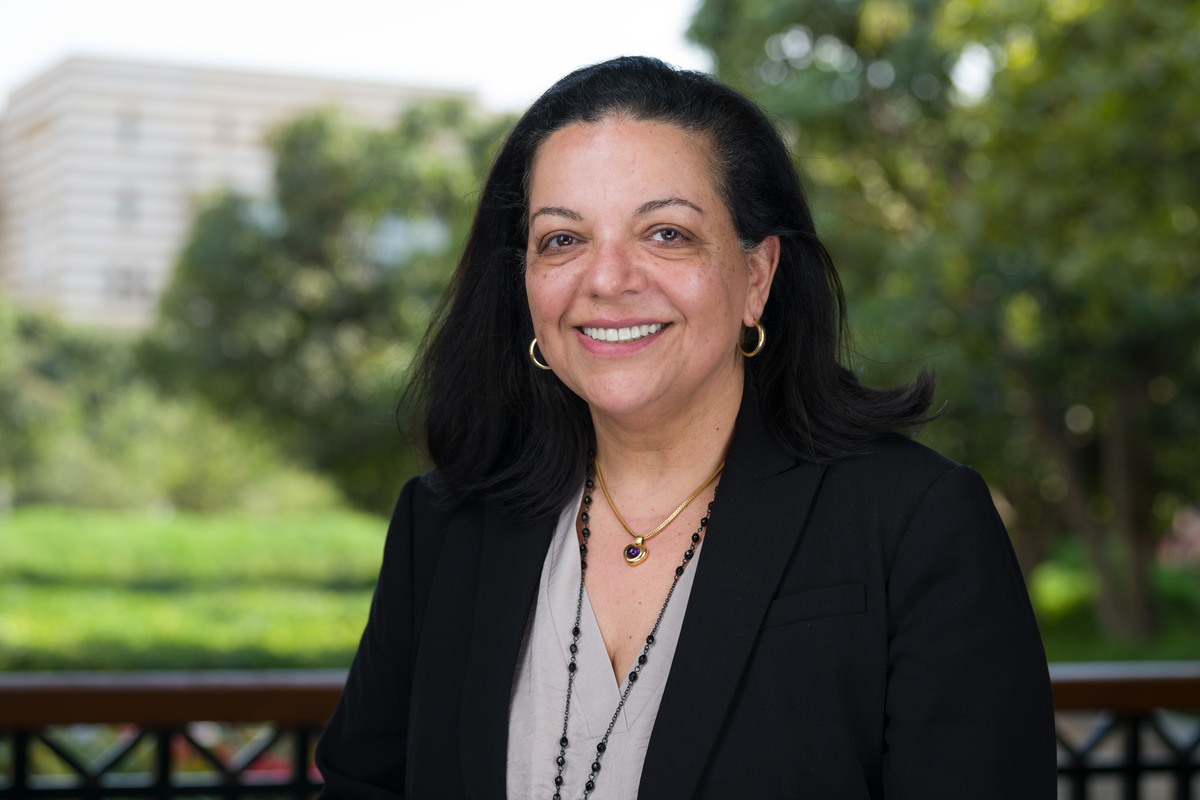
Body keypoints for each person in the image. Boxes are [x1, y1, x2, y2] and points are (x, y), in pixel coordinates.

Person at [315, 56, 1056, 799]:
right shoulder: (443, 527)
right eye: (562, 240)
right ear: (526, 286)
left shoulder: (915, 523)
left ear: (756, 278)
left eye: (666, 233)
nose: (607, 279)